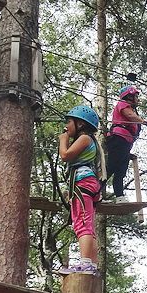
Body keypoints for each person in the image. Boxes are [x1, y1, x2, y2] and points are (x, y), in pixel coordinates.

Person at [58, 105, 103, 274]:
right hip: (88, 183)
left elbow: (65, 155)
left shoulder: (84, 138)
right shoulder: (89, 140)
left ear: (81, 124)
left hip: (82, 183)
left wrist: (63, 140)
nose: (66, 126)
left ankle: (85, 264)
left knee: (82, 224)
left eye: (69, 122)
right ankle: (92, 264)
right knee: (87, 224)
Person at [105, 84, 147, 202]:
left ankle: (119, 196)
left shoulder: (132, 110)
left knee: (121, 170)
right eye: (136, 97)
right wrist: (144, 122)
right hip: (118, 139)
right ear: (129, 96)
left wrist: (144, 123)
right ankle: (95, 193)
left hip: (125, 143)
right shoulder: (123, 104)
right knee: (111, 167)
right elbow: (129, 115)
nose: (138, 99)